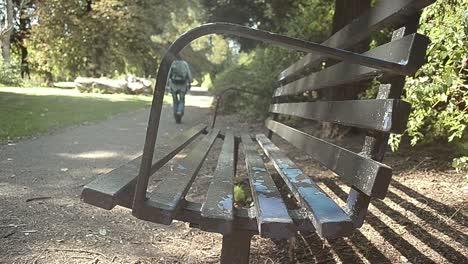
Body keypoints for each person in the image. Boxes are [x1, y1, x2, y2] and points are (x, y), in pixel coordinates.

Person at [167, 57, 192, 124]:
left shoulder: (173, 63)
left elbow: (169, 74)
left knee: (175, 101)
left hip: (174, 84)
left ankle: (176, 114)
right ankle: (179, 111)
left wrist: (167, 84)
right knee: (181, 100)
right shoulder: (185, 63)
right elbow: (189, 74)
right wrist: (190, 82)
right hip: (182, 85)